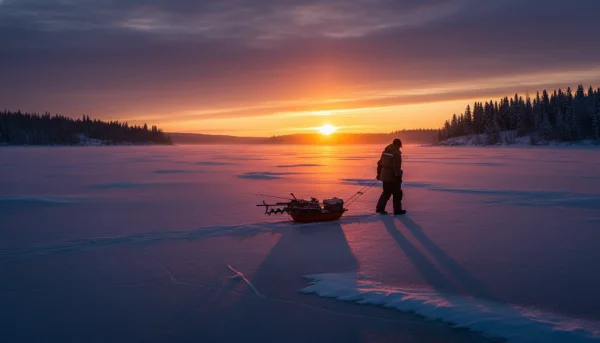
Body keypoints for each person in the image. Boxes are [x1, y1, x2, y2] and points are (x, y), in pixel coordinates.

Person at [375, 138, 406, 215]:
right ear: (398, 145)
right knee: (397, 193)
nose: (399, 148)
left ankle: (379, 208)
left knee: (386, 192)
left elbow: (380, 164)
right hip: (392, 177)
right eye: (399, 146)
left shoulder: (385, 152)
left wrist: (379, 174)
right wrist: (398, 177)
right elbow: (396, 167)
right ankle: (397, 210)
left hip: (384, 176)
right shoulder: (396, 154)